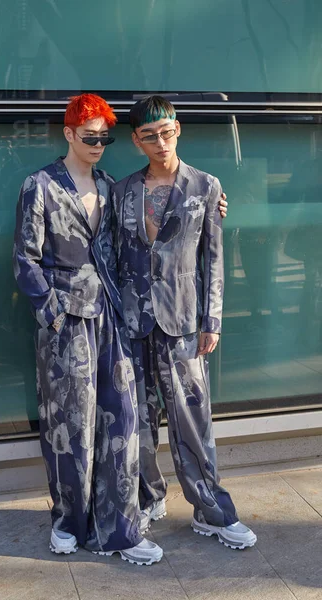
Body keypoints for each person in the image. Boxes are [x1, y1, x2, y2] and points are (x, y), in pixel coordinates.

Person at [13, 94, 163, 565]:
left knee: (120, 419)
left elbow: (137, 242)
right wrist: (54, 315)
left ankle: (118, 526)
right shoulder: (39, 186)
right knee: (69, 426)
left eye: (105, 137)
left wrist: (211, 206)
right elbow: (25, 259)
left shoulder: (110, 185)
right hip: (66, 323)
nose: (98, 144)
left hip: (111, 316)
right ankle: (67, 520)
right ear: (68, 133)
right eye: (89, 136)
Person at [112, 95, 257, 550]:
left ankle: (211, 508)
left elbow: (214, 260)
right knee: (134, 419)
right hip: (132, 323)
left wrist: (212, 320)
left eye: (167, 131)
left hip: (183, 323)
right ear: (137, 140)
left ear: (179, 129)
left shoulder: (206, 186)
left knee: (192, 420)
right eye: (149, 135)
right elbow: (112, 256)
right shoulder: (122, 191)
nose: (160, 141)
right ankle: (147, 496)